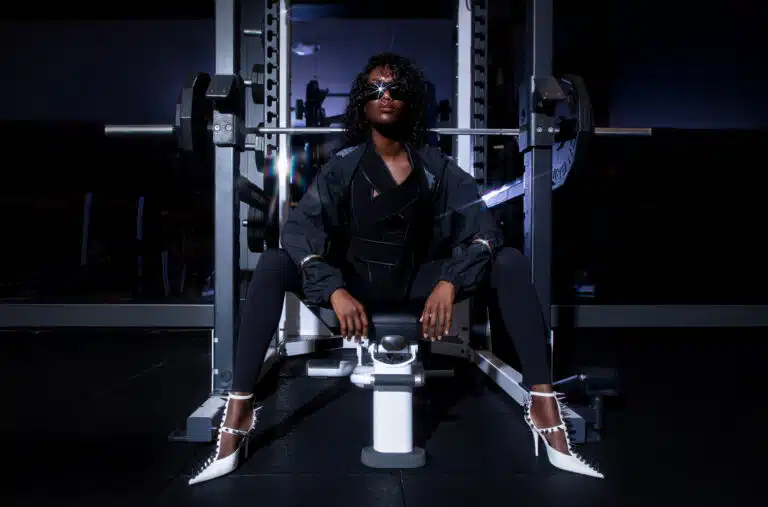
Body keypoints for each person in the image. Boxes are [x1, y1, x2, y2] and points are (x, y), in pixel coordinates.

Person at [189, 53, 602, 485]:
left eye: (396, 88)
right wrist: (333, 289)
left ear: (410, 101)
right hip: (356, 288)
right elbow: (298, 232)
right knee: (274, 262)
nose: (385, 95)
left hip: (419, 287)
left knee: (509, 260)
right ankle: (238, 410)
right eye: (374, 89)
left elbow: (484, 229)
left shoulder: (436, 168)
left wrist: (449, 280)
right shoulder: (343, 168)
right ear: (361, 105)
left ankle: (542, 402)